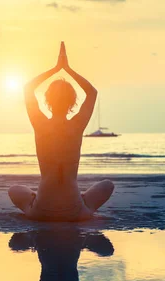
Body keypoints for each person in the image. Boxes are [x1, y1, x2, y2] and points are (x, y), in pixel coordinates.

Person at [8, 42, 114, 222]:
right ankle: (82, 200)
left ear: (47, 100)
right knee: (108, 185)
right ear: (73, 102)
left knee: (14, 190)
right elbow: (92, 92)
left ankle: (35, 200)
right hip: (74, 212)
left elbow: (28, 88)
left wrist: (55, 69)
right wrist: (67, 69)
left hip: (41, 210)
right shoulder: (77, 125)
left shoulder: (40, 124)